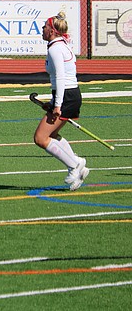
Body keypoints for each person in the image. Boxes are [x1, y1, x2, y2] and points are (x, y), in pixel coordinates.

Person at [34, 12, 89, 191]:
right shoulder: (60, 45)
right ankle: (77, 162)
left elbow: (61, 77)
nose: (41, 29)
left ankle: (74, 165)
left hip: (66, 97)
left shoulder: (55, 49)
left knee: (41, 138)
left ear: (51, 30)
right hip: (69, 95)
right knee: (51, 135)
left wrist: (57, 105)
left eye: (44, 26)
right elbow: (59, 81)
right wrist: (53, 101)